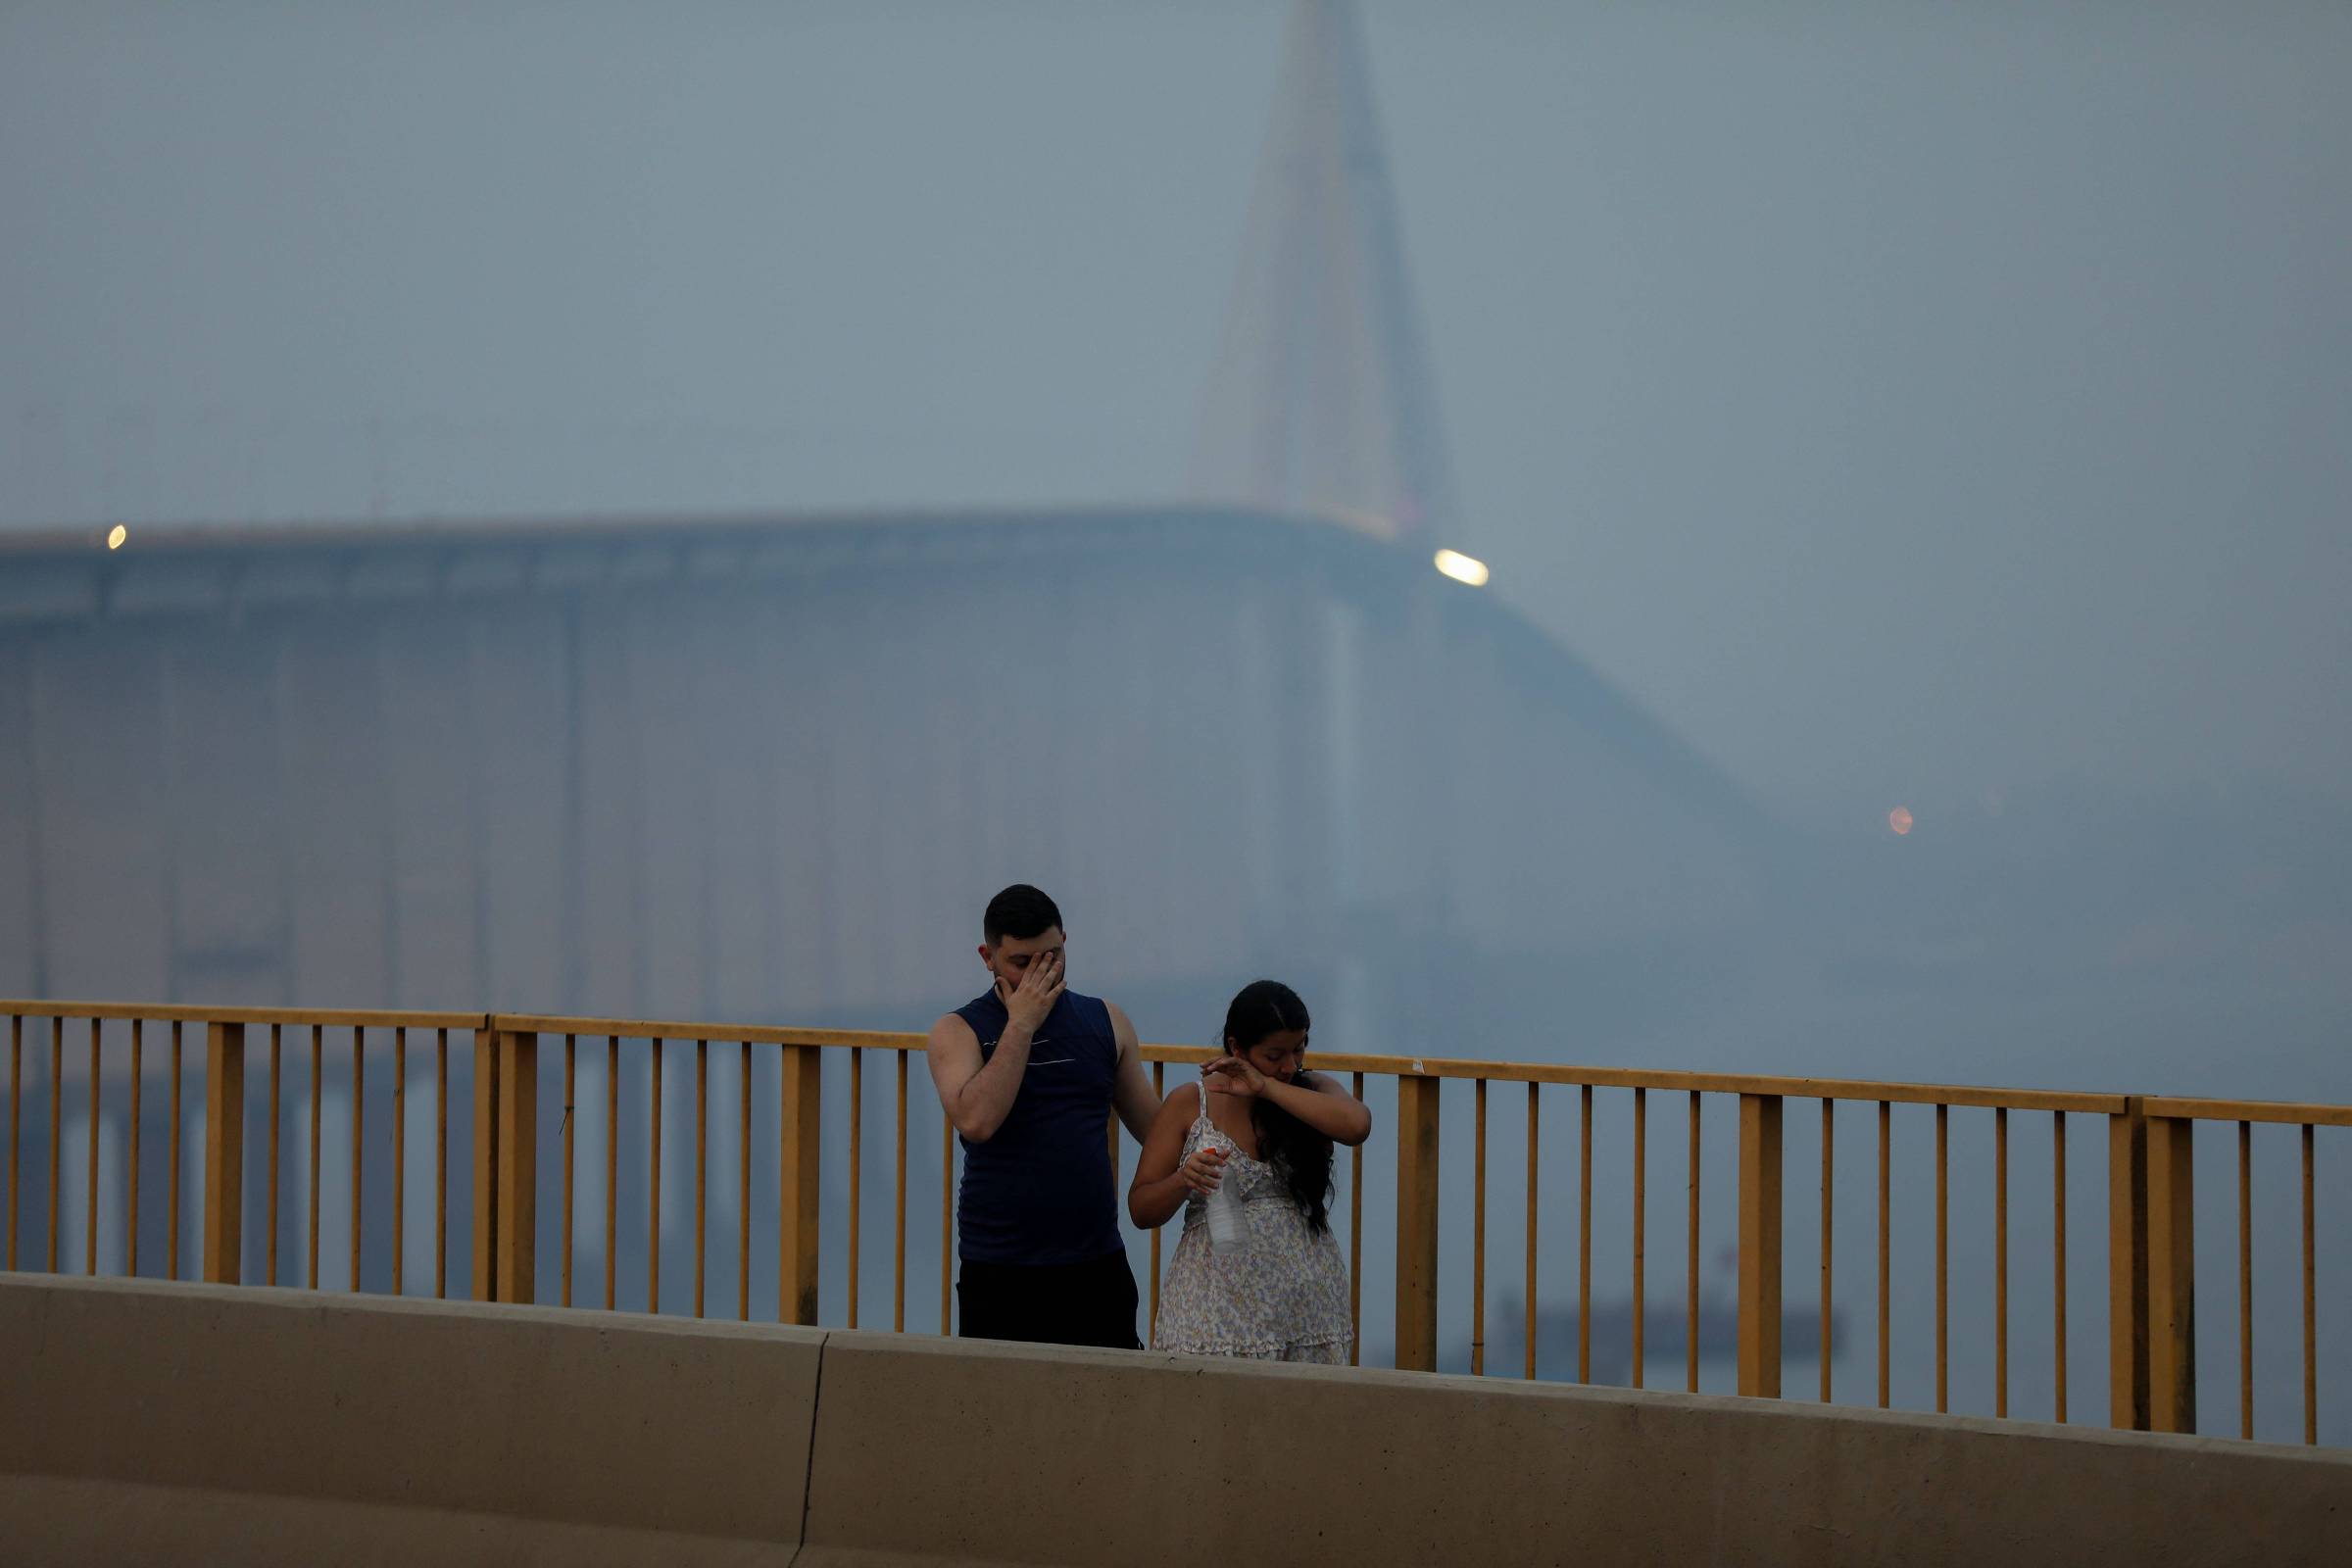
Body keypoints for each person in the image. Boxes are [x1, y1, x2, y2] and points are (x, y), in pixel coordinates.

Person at [924, 884, 1160, 1348]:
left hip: (1095, 1263)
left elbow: (1156, 1130)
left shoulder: (1106, 1020)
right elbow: (977, 1121)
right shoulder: (957, 1031)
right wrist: (1022, 1023)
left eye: (1050, 956)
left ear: (1065, 942)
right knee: (1004, 1414)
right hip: (1001, 1268)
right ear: (987, 957)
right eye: (1021, 962)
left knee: (1110, 1409)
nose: (1039, 973)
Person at [1129, 979, 1372, 1363]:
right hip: (1217, 1307)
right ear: (1236, 1048)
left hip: (1305, 1305)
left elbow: (1357, 1126)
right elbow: (1141, 1208)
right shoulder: (1191, 1103)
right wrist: (1183, 1180)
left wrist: (1267, 1088)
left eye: (1299, 1049)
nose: (1290, 1066)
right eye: (1274, 1055)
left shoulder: (1310, 1090)